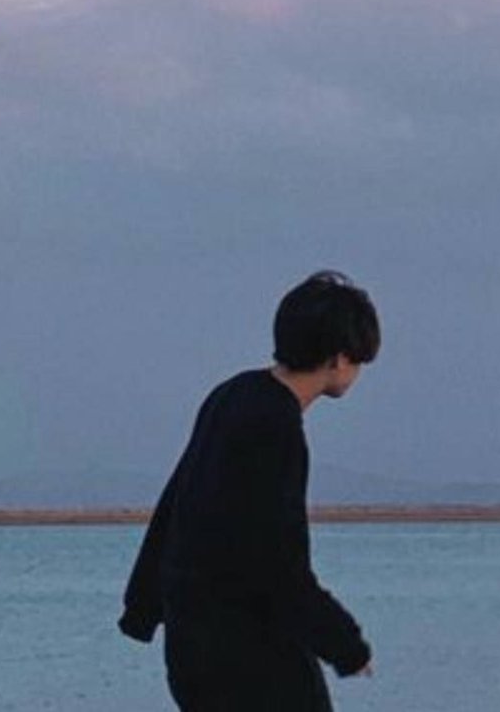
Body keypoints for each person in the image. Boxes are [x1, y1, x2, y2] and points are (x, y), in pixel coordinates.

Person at [118, 270, 380, 711]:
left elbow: (176, 506)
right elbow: (280, 561)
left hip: (192, 650)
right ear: (338, 358)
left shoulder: (232, 394)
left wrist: (143, 606)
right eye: (359, 360)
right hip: (248, 656)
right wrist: (345, 645)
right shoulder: (275, 425)